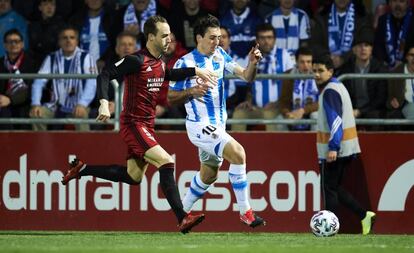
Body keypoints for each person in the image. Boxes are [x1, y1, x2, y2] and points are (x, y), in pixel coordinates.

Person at [60, 15, 217, 234]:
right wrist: (104, 103)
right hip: (133, 125)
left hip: (146, 126)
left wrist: (196, 71)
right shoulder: (136, 60)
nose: (168, 39)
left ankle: (82, 169)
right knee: (166, 162)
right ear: (150, 37)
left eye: (169, 35)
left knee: (133, 177)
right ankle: (182, 217)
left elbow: (169, 74)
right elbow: (105, 74)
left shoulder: (158, 63)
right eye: (163, 35)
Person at [168, 14, 266, 228]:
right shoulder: (184, 63)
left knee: (209, 175)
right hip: (199, 125)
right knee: (238, 154)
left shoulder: (220, 55)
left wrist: (252, 63)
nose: (217, 42)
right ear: (199, 38)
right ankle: (246, 212)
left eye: (219, 37)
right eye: (212, 38)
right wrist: (192, 91)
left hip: (217, 126)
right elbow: (170, 98)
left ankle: (182, 213)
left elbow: (246, 76)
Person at [313, 53, 376, 235]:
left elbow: (336, 121)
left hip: (335, 150)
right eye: (314, 71)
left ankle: (329, 229)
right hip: (347, 148)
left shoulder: (329, 91)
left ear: (330, 71)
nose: (316, 75)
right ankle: (364, 215)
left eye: (320, 71)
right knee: (335, 188)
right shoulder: (337, 86)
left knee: (329, 190)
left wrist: (333, 147)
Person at [30, 25, 97, 131]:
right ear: (59, 42)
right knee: (36, 114)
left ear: (77, 41)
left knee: (80, 114)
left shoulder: (86, 57)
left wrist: (82, 104)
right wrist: (36, 103)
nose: (68, 41)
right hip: (56, 104)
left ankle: (86, 146)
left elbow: (91, 84)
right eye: (64, 38)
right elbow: (38, 82)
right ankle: (42, 146)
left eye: (72, 37)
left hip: (79, 103)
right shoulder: (51, 58)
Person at [232, 23, 295, 131]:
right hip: (256, 108)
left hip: (277, 107)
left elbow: (291, 86)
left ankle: (273, 148)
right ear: (257, 40)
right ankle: (237, 148)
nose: (266, 41)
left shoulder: (284, 55)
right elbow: (250, 83)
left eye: (269, 37)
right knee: (239, 114)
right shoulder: (253, 56)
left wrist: (278, 103)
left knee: (269, 116)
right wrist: (248, 100)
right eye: (262, 38)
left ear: (275, 39)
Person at [336, 29, 387, 131]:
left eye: (367, 45)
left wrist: (360, 111)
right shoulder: (346, 69)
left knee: (375, 118)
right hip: (351, 109)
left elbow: (380, 99)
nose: (363, 49)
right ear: (354, 50)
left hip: (371, 110)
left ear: (371, 50)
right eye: (359, 45)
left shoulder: (379, 69)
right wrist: (350, 110)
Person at [311, 0, 372, 69]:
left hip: (353, 68)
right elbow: (315, 44)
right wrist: (328, 57)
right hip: (326, 67)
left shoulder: (362, 15)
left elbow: (365, 41)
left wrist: (343, 59)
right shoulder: (322, 15)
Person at [0, 29, 38, 130]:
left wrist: (10, 100)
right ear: (5, 45)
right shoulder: (0, 62)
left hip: (24, 102)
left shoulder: (32, 63)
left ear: (22, 44)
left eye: (16, 41)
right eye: (10, 41)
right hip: (3, 102)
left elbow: (32, 89)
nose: (13, 44)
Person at [278, 46, 318, 131]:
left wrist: (303, 110)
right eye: (302, 62)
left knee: (316, 116)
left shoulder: (318, 75)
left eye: (308, 62)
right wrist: (287, 113)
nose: (306, 66)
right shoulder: (288, 76)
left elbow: (322, 102)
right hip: (293, 112)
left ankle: (316, 144)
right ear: (296, 62)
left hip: (311, 112)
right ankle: (284, 144)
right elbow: (283, 101)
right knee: (279, 120)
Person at [374, 0, 414, 69]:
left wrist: (403, 62)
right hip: (385, 68)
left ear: (407, 4)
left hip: (409, 67)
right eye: (394, 1)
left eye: (401, 1)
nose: (397, 5)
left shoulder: (413, 20)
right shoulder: (382, 20)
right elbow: (377, 47)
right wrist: (384, 63)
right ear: (390, 3)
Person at [387, 44, 414, 124]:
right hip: (404, 106)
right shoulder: (395, 74)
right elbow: (388, 99)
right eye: (412, 55)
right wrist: (392, 102)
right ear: (406, 57)